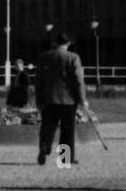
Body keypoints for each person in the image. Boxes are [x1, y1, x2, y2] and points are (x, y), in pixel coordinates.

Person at [35, 31, 87, 165]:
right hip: (68, 100)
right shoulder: (73, 57)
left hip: (49, 98)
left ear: (55, 43)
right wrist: (82, 98)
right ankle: (65, 158)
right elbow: (78, 80)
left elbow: (38, 81)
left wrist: (39, 100)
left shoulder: (44, 57)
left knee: (48, 125)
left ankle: (44, 146)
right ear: (68, 43)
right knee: (67, 130)